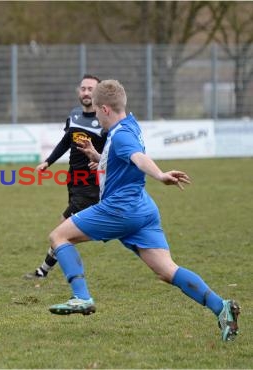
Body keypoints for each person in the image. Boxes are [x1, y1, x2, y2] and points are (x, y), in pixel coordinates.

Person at [46, 79, 240, 342]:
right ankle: (222, 307)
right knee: (166, 270)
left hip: (119, 208)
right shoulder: (129, 125)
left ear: (104, 109)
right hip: (142, 209)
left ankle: (81, 296)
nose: (97, 121)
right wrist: (98, 158)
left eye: (97, 111)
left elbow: (136, 157)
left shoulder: (122, 135)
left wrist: (160, 174)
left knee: (59, 236)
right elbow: (122, 156)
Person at [24, 74, 106, 280]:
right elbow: (65, 141)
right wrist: (48, 162)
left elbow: (115, 149)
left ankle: (44, 272)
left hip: (91, 186)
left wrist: (101, 160)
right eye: (83, 88)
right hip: (74, 182)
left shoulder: (104, 120)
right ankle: (43, 270)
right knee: (64, 233)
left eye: (91, 89)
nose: (86, 92)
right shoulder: (75, 115)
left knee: (61, 231)